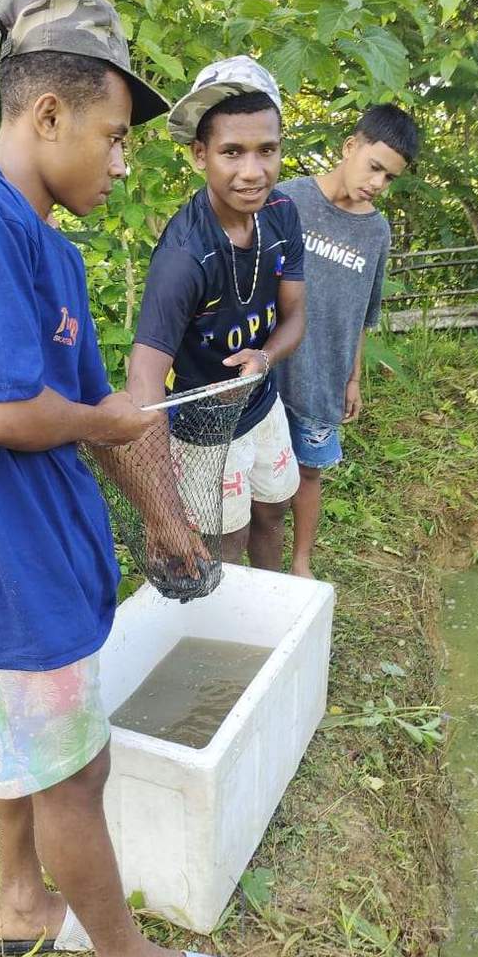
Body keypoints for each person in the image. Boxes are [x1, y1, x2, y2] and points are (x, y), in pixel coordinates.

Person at [0, 0, 253, 957]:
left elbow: (97, 403)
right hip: (0, 559)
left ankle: (21, 905)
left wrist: (165, 515)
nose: (121, 161)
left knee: (25, 750)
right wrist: (107, 422)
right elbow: (3, 412)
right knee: (70, 774)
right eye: (113, 136)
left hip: (27, 554)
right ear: (48, 114)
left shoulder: (45, 246)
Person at [127, 56, 306, 572]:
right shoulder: (185, 256)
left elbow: (296, 315)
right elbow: (144, 377)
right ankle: (227, 619)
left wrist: (264, 358)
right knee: (225, 543)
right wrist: (160, 508)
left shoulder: (282, 214)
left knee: (273, 512)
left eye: (266, 150)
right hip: (201, 429)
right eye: (232, 152)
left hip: (262, 404)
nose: (253, 172)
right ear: (200, 154)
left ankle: (271, 604)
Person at [275, 104, 420, 577]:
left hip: (325, 374)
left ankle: (301, 563)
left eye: (389, 178)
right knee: (263, 475)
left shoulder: (375, 232)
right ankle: (259, 564)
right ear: (350, 147)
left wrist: (353, 378)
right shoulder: (288, 199)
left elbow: (363, 313)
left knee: (308, 471)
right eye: (374, 167)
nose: (378, 183)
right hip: (271, 367)